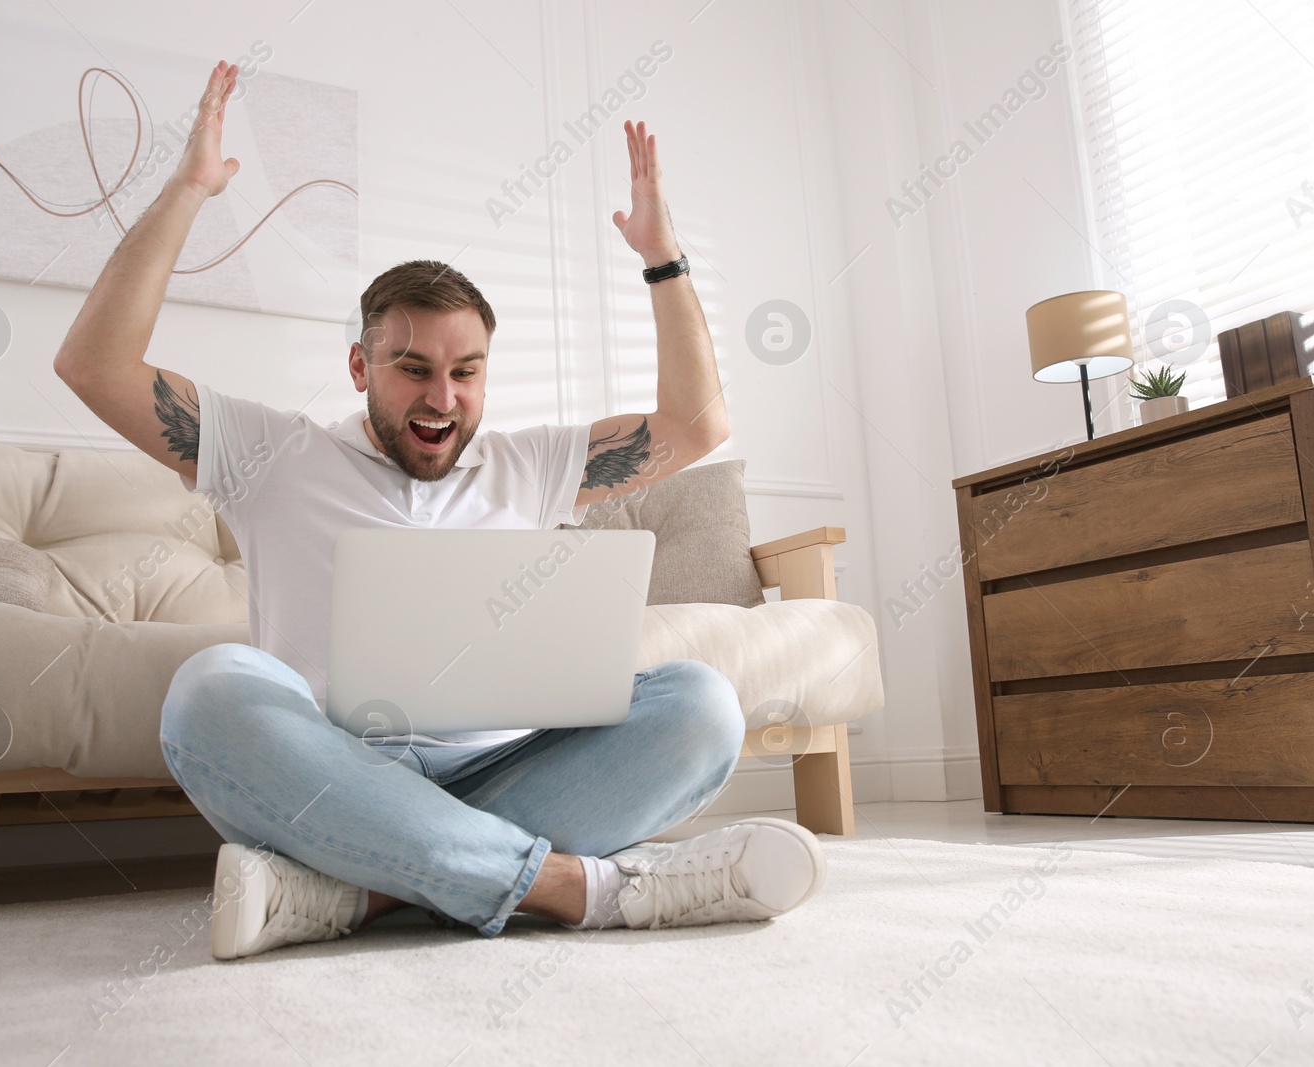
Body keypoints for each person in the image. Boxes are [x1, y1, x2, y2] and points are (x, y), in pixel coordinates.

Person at [54, 60, 827, 960]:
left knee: (703, 705)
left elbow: (698, 424)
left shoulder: (532, 463)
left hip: (504, 764)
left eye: (466, 372)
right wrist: (189, 191)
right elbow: (95, 366)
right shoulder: (272, 454)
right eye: (413, 367)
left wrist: (663, 258)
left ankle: (361, 890)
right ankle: (581, 890)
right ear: (360, 368)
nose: (442, 397)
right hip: (332, 767)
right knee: (207, 693)